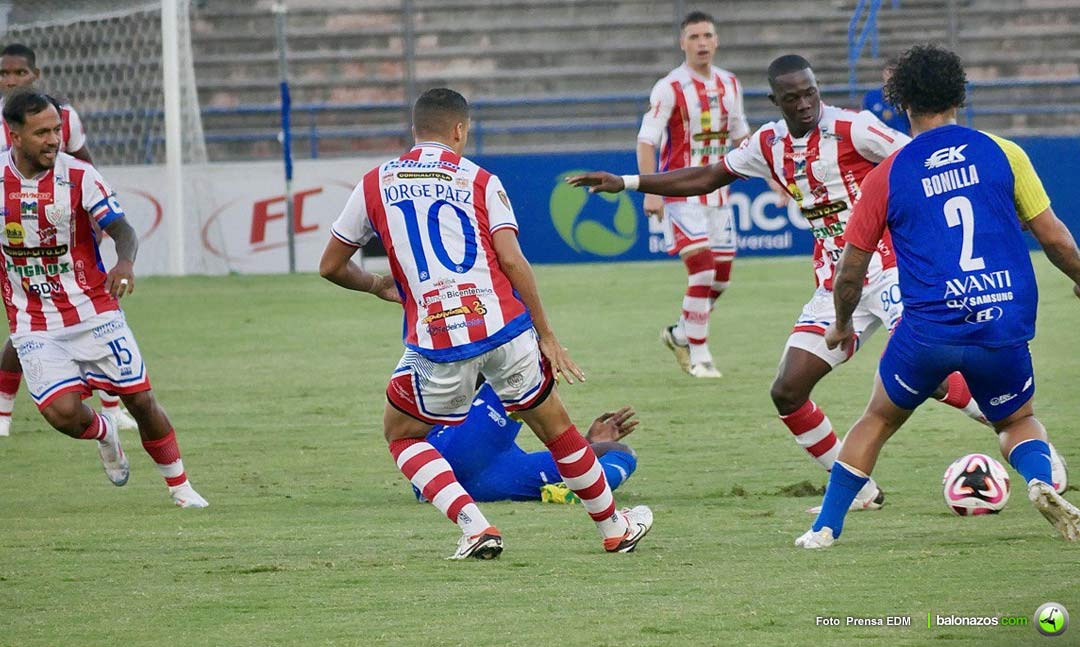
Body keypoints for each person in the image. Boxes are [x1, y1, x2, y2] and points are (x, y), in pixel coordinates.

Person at [569, 54, 989, 512]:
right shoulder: (768, 143)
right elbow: (708, 175)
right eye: (793, 97)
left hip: (893, 266)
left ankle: (1010, 423)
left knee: (920, 370)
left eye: (810, 92)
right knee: (787, 391)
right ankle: (860, 491)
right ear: (776, 101)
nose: (806, 103)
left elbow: (920, 159)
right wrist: (628, 182)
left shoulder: (856, 128)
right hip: (836, 282)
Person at [320, 88, 652, 559]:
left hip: (436, 338)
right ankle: (614, 529)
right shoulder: (481, 180)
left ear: (415, 130)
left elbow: (331, 266)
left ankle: (475, 527)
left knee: (402, 435)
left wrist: (379, 286)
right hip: (504, 327)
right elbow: (513, 262)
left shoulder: (374, 183)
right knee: (558, 429)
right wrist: (547, 335)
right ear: (460, 130)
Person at [797, 44, 1080, 548]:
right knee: (1017, 419)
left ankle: (825, 528)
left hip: (928, 331)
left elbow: (851, 272)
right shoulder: (1003, 152)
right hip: (1001, 323)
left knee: (878, 420)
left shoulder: (888, 173)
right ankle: (1039, 480)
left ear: (902, 102)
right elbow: (1054, 237)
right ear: (959, 95)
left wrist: (841, 323)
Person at [0, 91, 207, 508]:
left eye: (57, 130)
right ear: (15, 135)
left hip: (96, 312)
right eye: (41, 132)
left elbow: (123, 228)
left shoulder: (79, 177)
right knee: (61, 414)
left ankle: (180, 487)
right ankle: (105, 432)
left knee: (141, 400)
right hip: (33, 321)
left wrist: (125, 262)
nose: (53, 139)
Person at [0, 43, 136, 437]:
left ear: (34, 75)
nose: (10, 80)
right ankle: (5, 415)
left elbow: (83, 162)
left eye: (18, 74)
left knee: (94, 314)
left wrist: (91, 208)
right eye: (4, 74)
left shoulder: (65, 117)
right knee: (27, 326)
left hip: (59, 222)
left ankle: (113, 406)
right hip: (12, 233)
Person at [637, 11, 750, 378]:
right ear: (682, 43)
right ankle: (700, 356)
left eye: (707, 36)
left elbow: (740, 138)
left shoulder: (730, 84)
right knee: (701, 270)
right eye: (694, 37)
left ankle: (681, 334)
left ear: (716, 41)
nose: (702, 43)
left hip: (718, 196)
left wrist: (777, 178)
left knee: (721, 279)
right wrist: (651, 188)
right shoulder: (669, 87)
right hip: (680, 192)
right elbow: (646, 139)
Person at [416, 381, 639, 503]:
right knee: (518, 374)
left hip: (482, 476)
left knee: (619, 450)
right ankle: (581, 486)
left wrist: (586, 445)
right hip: (471, 469)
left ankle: (575, 482)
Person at [861, 58, 911, 135]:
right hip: (878, 143)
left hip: (902, 143)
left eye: (895, 72)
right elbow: (864, 124)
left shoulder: (907, 97)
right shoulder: (871, 97)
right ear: (883, 73)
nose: (892, 76)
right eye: (889, 71)